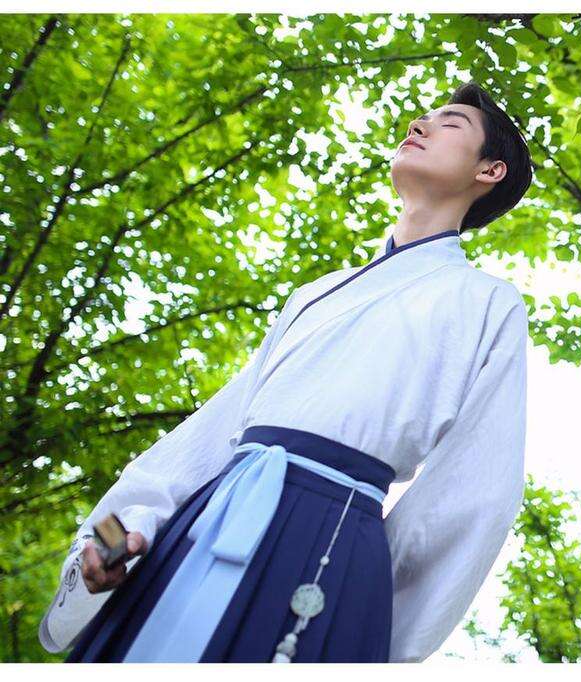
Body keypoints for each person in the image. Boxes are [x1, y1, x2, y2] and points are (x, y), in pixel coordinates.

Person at [39, 80, 532, 663]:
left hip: (330, 538)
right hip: (211, 515)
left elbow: (475, 489)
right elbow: (214, 433)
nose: (418, 124)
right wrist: (126, 526)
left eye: (450, 123)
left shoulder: (488, 303)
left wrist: (378, 610)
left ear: (489, 170)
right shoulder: (314, 294)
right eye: (423, 116)